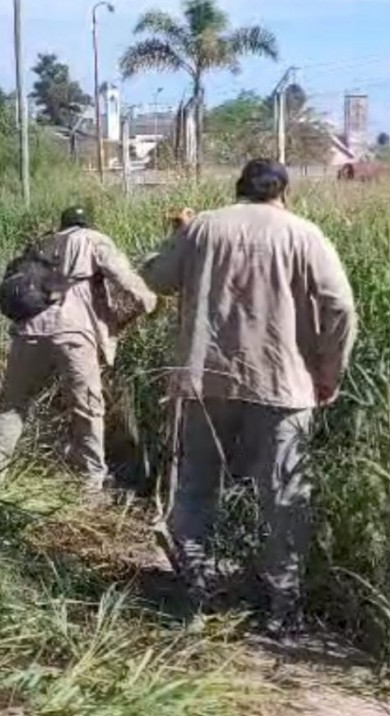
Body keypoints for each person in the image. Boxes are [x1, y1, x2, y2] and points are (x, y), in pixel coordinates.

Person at [141, 159, 357, 631]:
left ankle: (195, 590)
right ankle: (284, 609)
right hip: (283, 383)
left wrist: (177, 235)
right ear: (284, 192)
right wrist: (328, 371)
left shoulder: (203, 228)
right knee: (283, 496)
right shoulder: (304, 234)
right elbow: (340, 305)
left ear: (237, 188)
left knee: (196, 485)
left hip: (205, 379)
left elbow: (157, 279)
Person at [0, 206, 157, 492]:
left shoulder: (41, 244)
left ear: (62, 224)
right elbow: (123, 277)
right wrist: (148, 300)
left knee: (13, 406)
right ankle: (91, 483)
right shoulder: (92, 239)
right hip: (72, 333)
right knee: (87, 408)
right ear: (86, 223)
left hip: (27, 332)